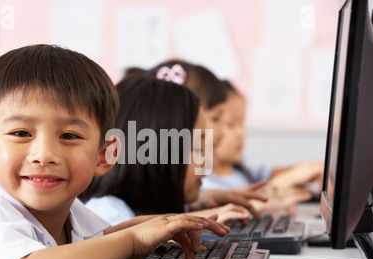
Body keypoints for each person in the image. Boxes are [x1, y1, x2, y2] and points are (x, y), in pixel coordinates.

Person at [0, 45, 230, 259]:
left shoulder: (69, 211)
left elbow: (92, 243)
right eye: (21, 132)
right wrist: (133, 239)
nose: (44, 155)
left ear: (105, 155)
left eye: (69, 136)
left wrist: (151, 225)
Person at [82, 72, 253, 226]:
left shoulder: (148, 207)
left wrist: (203, 201)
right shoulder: (107, 212)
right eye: (196, 148)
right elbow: (135, 239)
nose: (206, 163)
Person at [202, 80, 324, 214]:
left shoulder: (239, 170)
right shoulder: (203, 182)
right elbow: (231, 207)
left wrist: (307, 169)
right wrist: (290, 178)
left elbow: (270, 173)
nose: (241, 133)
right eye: (231, 124)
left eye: (241, 124)